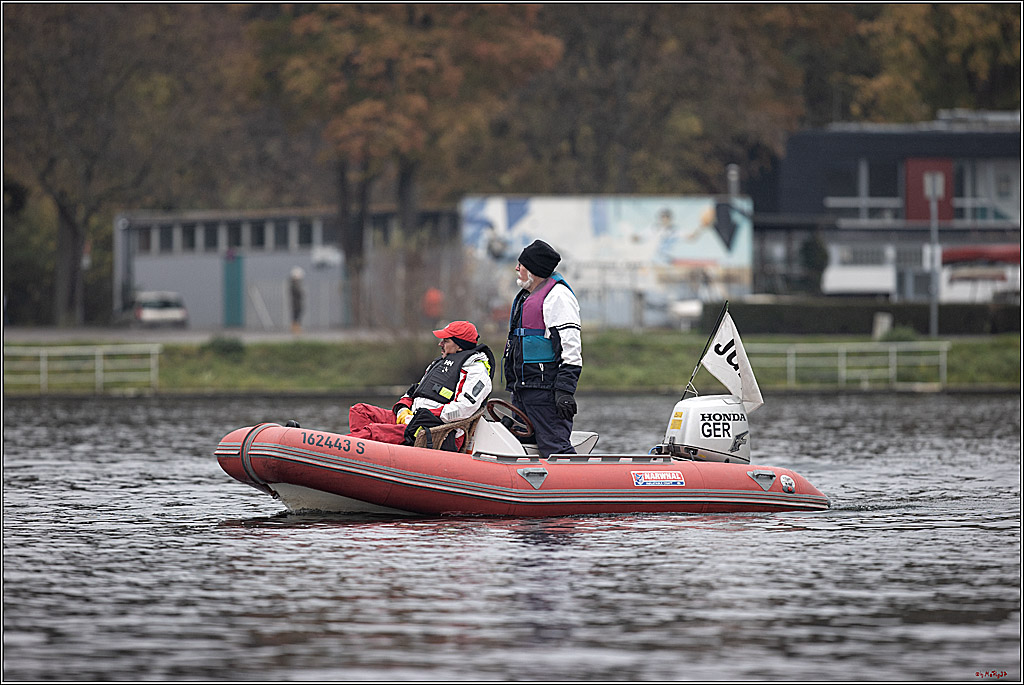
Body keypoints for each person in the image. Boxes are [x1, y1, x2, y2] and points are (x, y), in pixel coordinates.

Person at [348, 321, 494, 451]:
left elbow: (463, 408)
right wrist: (402, 410)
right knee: (359, 411)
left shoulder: (476, 372)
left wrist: (422, 416)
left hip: (434, 430)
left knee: (372, 432)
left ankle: (350, 455)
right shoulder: (439, 363)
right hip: (411, 419)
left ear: (460, 346)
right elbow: (414, 391)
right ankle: (366, 459)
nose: (440, 344)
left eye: (446, 340)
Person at [503, 239, 582, 457]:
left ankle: (579, 486)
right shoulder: (527, 296)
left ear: (534, 270)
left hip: (545, 391)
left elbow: (571, 348)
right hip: (522, 389)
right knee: (520, 446)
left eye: (521, 264)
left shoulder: (558, 297)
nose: (517, 269)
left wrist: (565, 391)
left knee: (555, 446)